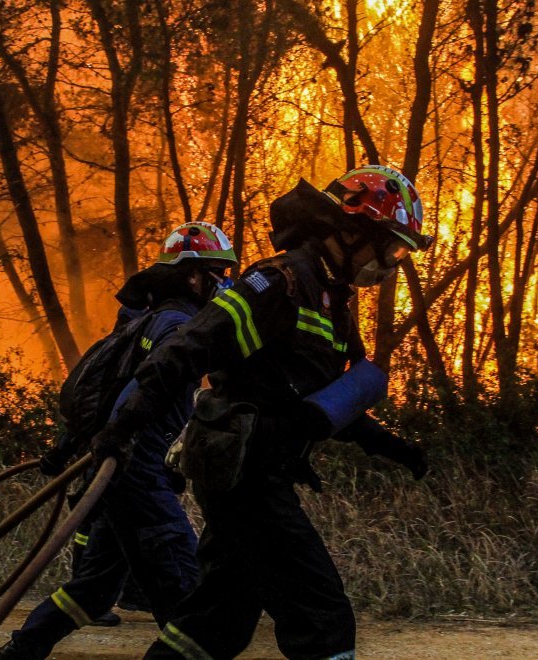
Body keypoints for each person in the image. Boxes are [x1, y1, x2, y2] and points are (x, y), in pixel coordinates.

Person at [90, 165, 432, 659]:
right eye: (394, 247)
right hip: (245, 475)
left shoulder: (333, 303)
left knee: (216, 623)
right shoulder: (278, 282)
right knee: (321, 616)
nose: (394, 264)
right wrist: (123, 427)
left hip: (256, 469)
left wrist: (395, 449)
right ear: (352, 230)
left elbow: (323, 403)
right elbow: (186, 349)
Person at [0, 222, 239, 659]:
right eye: (219, 272)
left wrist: (68, 448)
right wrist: (120, 438)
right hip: (137, 474)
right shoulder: (178, 326)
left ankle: (17, 654)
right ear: (193, 275)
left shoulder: (146, 319)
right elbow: (135, 391)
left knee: (94, 590)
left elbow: (105, 393)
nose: (226, 283)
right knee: (185, 592)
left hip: (119, 471)